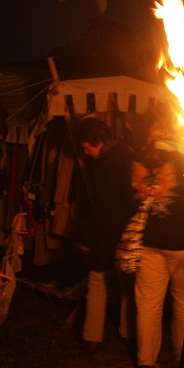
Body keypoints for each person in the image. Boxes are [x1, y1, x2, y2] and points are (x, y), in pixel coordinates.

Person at [132, 122, 184, 368]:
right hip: (183, 240)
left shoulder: (140, 159)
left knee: (148, 302)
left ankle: (147, 362)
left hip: (148, 240)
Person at [75, 117, 136, 352]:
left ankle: (92, 336)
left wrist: (88, 238)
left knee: (99, 282)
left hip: (110, 232)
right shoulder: (124, 154)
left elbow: (104, 204)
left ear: (95, 141)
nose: (86, 153)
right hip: (119, 230)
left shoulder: (111, 160)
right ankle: (125, 332)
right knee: (124, 285)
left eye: (86, 147)